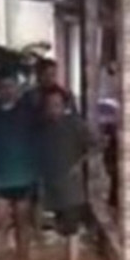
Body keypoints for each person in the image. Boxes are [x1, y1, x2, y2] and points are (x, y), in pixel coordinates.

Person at [0, 69, 40, 260]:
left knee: (23, 225)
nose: (7, 91)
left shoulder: (28, 111)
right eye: (3, 87)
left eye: (11, 86)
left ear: (18, 88)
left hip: (24, 178)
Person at [37, 86, 98, 249]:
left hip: (71, 187)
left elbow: (95, 146)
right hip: (49, 187)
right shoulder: (40, 127)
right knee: (54, 227)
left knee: (72, 229)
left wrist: (80, 164)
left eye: (57, 105)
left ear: (64, 106)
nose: (53, 109)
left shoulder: (75, 124)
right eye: (50, 105)